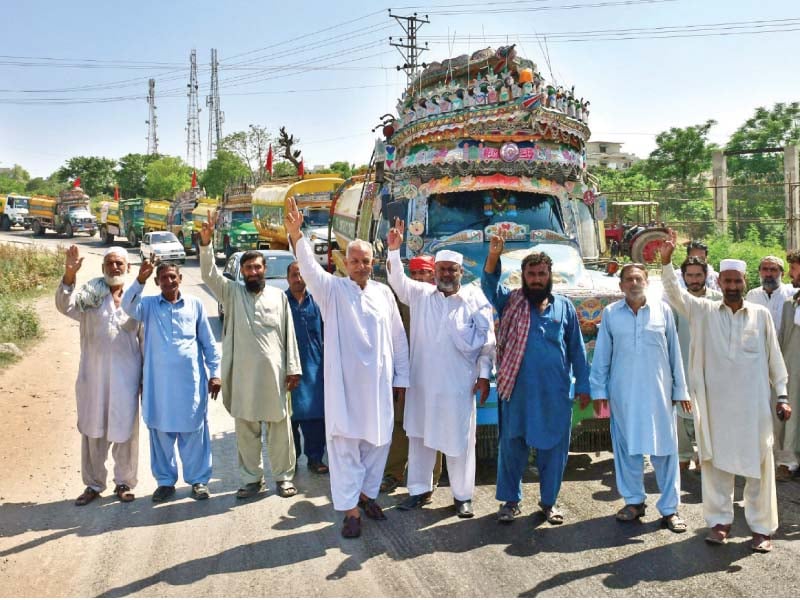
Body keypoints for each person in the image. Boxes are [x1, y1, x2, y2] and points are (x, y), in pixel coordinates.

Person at [285, 197, 409, 539]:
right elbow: (309, 269)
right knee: (344, 449)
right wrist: (298, 236)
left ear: (373, 263)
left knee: (378, 443)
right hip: (344, 389)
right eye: (354, 260)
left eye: (365, 260)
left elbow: (399, 338)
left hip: (380, 388)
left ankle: (367, 495)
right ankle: (351, 511)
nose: (359, 265)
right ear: (345, 262)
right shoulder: (331, 290)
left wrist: (402, 378)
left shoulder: (384, 294)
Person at [661, 231, 790, 552]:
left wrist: (783, 395)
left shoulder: (760, 315)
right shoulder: (703, 311)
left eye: (737, 282)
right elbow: (675, 294)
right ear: (721, 283)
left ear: (745, 282)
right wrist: (665, 263)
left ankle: (762, 529)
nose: (732, 287)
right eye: (728, 282)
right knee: (716, 468)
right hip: (716, 408)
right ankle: (719, 524)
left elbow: (775, 357)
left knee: (760, 468)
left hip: (754, 409)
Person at [387, 220, 494, 518]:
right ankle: (419, 490)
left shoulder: (475, 299)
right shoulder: (421, 295)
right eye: (442, 269)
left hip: (459, 386)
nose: (446, 274)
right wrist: (394, 252)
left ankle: (462, 496)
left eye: (452, 269)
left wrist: (484, 377)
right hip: (423, 385)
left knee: (460, 440)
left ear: (461, 272)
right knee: (419, 439)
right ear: (434, 272)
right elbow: (397, 282)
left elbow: (488, 344)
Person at [482, 235, 590, 525]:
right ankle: (510, 501)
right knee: (512, 445)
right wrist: (494, 255)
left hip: (554, 392)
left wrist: (583, 385)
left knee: (553, 449)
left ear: (549, 276)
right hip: (516, 389)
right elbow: (489, 284)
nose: (537, 279)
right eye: (531, 274)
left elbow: (577, 350)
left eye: (542, 274)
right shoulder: (511, 301)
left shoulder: (564, 306)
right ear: (524, 277)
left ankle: (549, 503)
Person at [199, 212, 302, 500]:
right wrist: (206, 245)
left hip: (275, 376)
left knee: (280, 430)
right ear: (242, 272)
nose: (253, 272)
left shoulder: (278, 297)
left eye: (257, 267)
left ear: (264, 269)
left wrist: (293, 368)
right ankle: (251, 480)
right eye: (248, 269)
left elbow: (288, 334)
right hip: (243, 377)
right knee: (246, 431)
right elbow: (209, 274)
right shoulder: (231, 293)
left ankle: (283, 478)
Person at [590, 262, 689, 533]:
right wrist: (599, 391)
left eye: (639, 278)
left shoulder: (663, 311)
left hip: (659, 394)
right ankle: (634, 502)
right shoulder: (611, 314)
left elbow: (674, 354)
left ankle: (670, 509)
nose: (634, 283)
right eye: (629, 279)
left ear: (647, 282)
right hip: (623, 395)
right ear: (621, 286)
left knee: (665, 451)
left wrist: (680, 391)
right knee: (627, 450)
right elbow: (602, 356)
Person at [122, 261, 221, 502]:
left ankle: (198, 481)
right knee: (161, 434)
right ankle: (165, 482)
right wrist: (140, 280)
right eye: (163, 278)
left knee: (195, 434)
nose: (169, 282)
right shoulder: (147, 306)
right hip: (159, 387)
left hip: (190, 384)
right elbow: (127, 306)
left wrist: (215, 373)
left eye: (172, 277)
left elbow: (208, 343)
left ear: (180, 279)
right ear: (157, 282)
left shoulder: (195, 305)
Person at [55, 246, 143, 506]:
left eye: (119, 263)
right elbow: (64, 304)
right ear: (103, 268)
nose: (114, 267)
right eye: (109, 264)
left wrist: (145, 380)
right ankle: (93, 484)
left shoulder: (137, 299)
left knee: (126, 432)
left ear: (127, 268)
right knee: (93, 433)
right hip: (92, 378)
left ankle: (124, 482)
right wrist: (70, 273)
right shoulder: (90, 296)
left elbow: (145, 340)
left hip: (126, 380)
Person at [381, 254, 444, 497]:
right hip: (405, 372)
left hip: (434, 375)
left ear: (433, 274)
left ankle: (432, 477)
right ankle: (393, 473)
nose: (418, 278)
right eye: (414, 273)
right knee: (399, 423)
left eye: (424, 273)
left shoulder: (442, 299)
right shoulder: (402, 300)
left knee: (432, 424)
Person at [666, 257, 722, 472]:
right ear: (684, 277)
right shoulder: (677, 301)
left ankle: (704, 455)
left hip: (712, 367)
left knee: (709, 412)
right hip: (683, 364)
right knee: (681, 413)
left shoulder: (718, 300)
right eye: (689, 275)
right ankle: (683, 456)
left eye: (698, 275)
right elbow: (670, 336)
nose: (694, 279)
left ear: (706, 275)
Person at [285, 261, 328, 475]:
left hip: (315, 367)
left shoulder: (318, 301)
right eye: (294, 274)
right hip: (288, 368)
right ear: (288, 278)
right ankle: (291, 460)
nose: (298, 278)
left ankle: (315, 458)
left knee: (315, 415)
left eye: (301, 274)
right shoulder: (281, 302)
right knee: (289, 417)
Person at [777, 250, 800, 481]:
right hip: (792, 370)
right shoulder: (789, 304)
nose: (791, 273)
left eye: (794, 268)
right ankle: (789, 461)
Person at [746, 255, 794, 331]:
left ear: (782, 274)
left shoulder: (792, 293)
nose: (768, 274)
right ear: (759, 272)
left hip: (784, 342)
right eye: (764, 269)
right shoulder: (752, 295)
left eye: (773, 270)